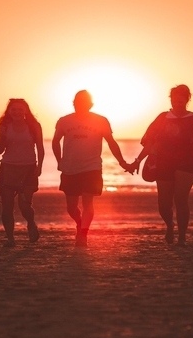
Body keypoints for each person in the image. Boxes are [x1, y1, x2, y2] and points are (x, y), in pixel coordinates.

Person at [131, 84, 193, 246]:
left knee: (180, 199)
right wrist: (137, 161)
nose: (177, 101)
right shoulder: (162, 118)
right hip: (164, 162)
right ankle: (170, 225)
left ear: (187, 99)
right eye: (174, 98)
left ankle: (182, 236)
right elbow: (149, 143)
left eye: (181, 98)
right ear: (171, 99)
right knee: (164, 203)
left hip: (188, 163)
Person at [52, 90, 133, 247]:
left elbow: (111, 141)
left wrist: (122, 162)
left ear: (91, 105)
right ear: (73, 103)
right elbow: (55, 141)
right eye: (77, 102)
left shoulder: (101, 121)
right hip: (69, 168)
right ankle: (80, 222)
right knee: (71, 207)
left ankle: (83, 234)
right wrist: (59, 161)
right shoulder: (64, 121)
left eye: (84, 102)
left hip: (92, 167)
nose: (80, 105)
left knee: (88, 202)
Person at [0, 98, 45, 247]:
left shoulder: (34, 126)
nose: (17, 112)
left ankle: (31, 223)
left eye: (20, 109)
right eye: (14, 109)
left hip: (28, 168)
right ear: (9, 111)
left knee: (24, 205)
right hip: (8, 168)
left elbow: (40, 148)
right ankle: (10, 239)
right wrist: (2, 136)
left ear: (25, 111)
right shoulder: (5, 126)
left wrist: (39, 166)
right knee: (7, 207)